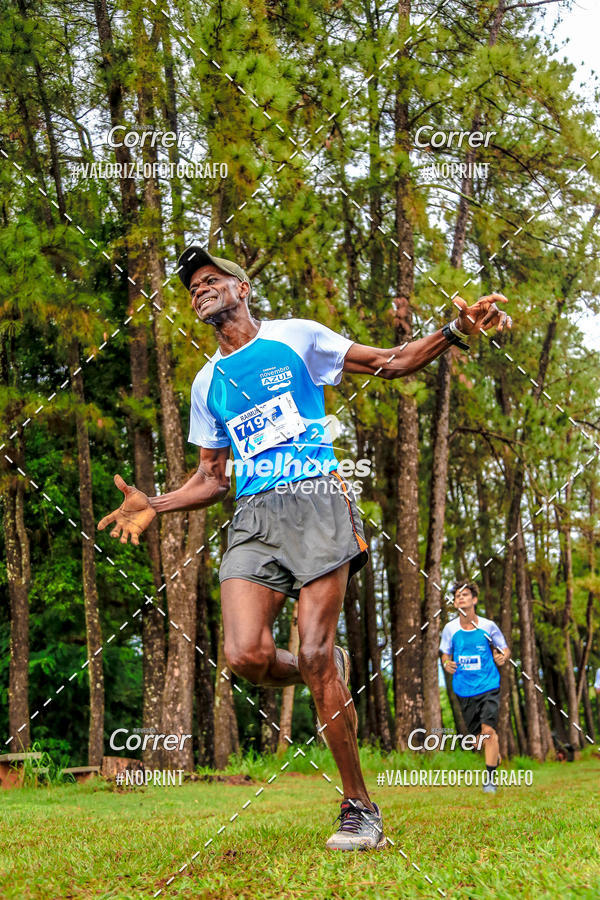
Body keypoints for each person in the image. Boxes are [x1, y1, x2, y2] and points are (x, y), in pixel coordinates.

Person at [98, 245, 512, 849]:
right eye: (192, 288)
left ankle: (359, 808)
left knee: (315, 650)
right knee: (245, 656)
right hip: (253, 517)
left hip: (316, 500)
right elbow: (212, 478)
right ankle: (325, 672)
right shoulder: (206, 383)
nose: (200, 290)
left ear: (242, 289)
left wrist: (453, 331)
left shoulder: (297, 336)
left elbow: (392, 362)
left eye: (211, 280)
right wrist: (155, 504)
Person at [440, 582, 510, 793]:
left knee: (488, 731)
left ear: (474, 599)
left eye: (465, 594)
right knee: (477, 740)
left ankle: (490, 781)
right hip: (464, 689)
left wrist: (502, 657)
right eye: (457, 596)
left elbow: (504, 649)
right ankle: (494, 756)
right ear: (455, 603)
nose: (461, 598)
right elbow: (445, 654)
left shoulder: (488, 626)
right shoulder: (450, 629)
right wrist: (446, 663)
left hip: (488, 685)